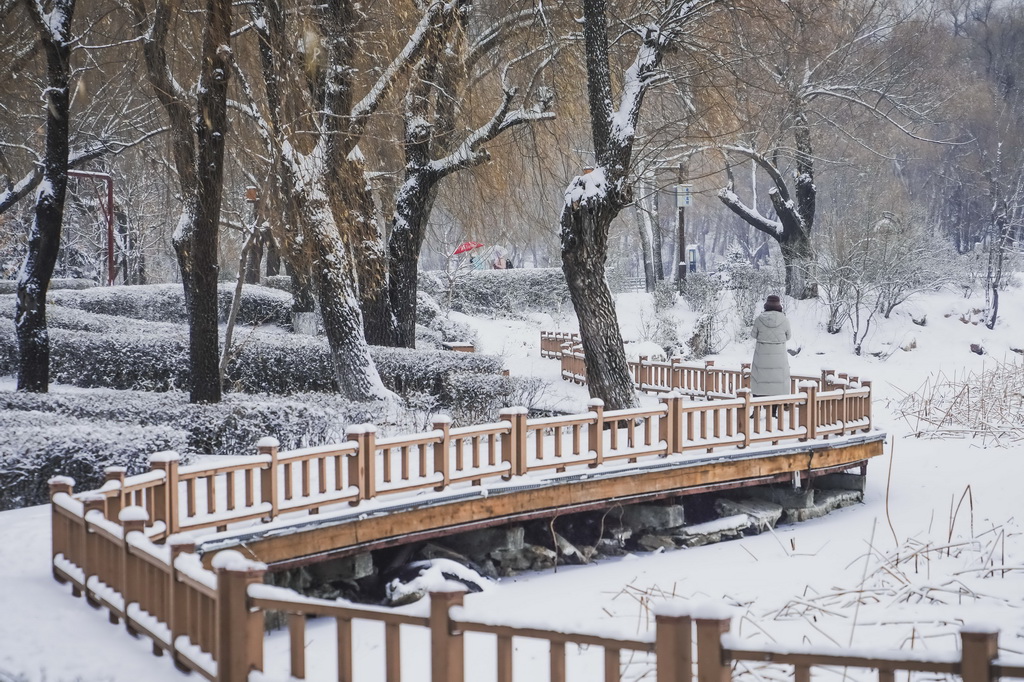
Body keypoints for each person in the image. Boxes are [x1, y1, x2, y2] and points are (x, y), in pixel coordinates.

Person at [751, 294, 791, 416]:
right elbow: (788, 336)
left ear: (766, 306)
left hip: (761, 356)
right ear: (779, 306)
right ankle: (773, 412)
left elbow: (753, 335)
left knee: (759, 382)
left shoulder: (759, 319)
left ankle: (756, 411)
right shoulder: (784, 320)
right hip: (779, 357)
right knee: (777, 383)